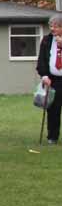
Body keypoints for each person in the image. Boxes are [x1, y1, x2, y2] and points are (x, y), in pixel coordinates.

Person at [37, 13, 62, 144]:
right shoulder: (46, 40)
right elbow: (41, 60)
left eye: (56, 26)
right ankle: (52, 137)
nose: (53, 29)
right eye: (51, 26)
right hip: (53, 80)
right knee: (53, 109)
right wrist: (44, 75)